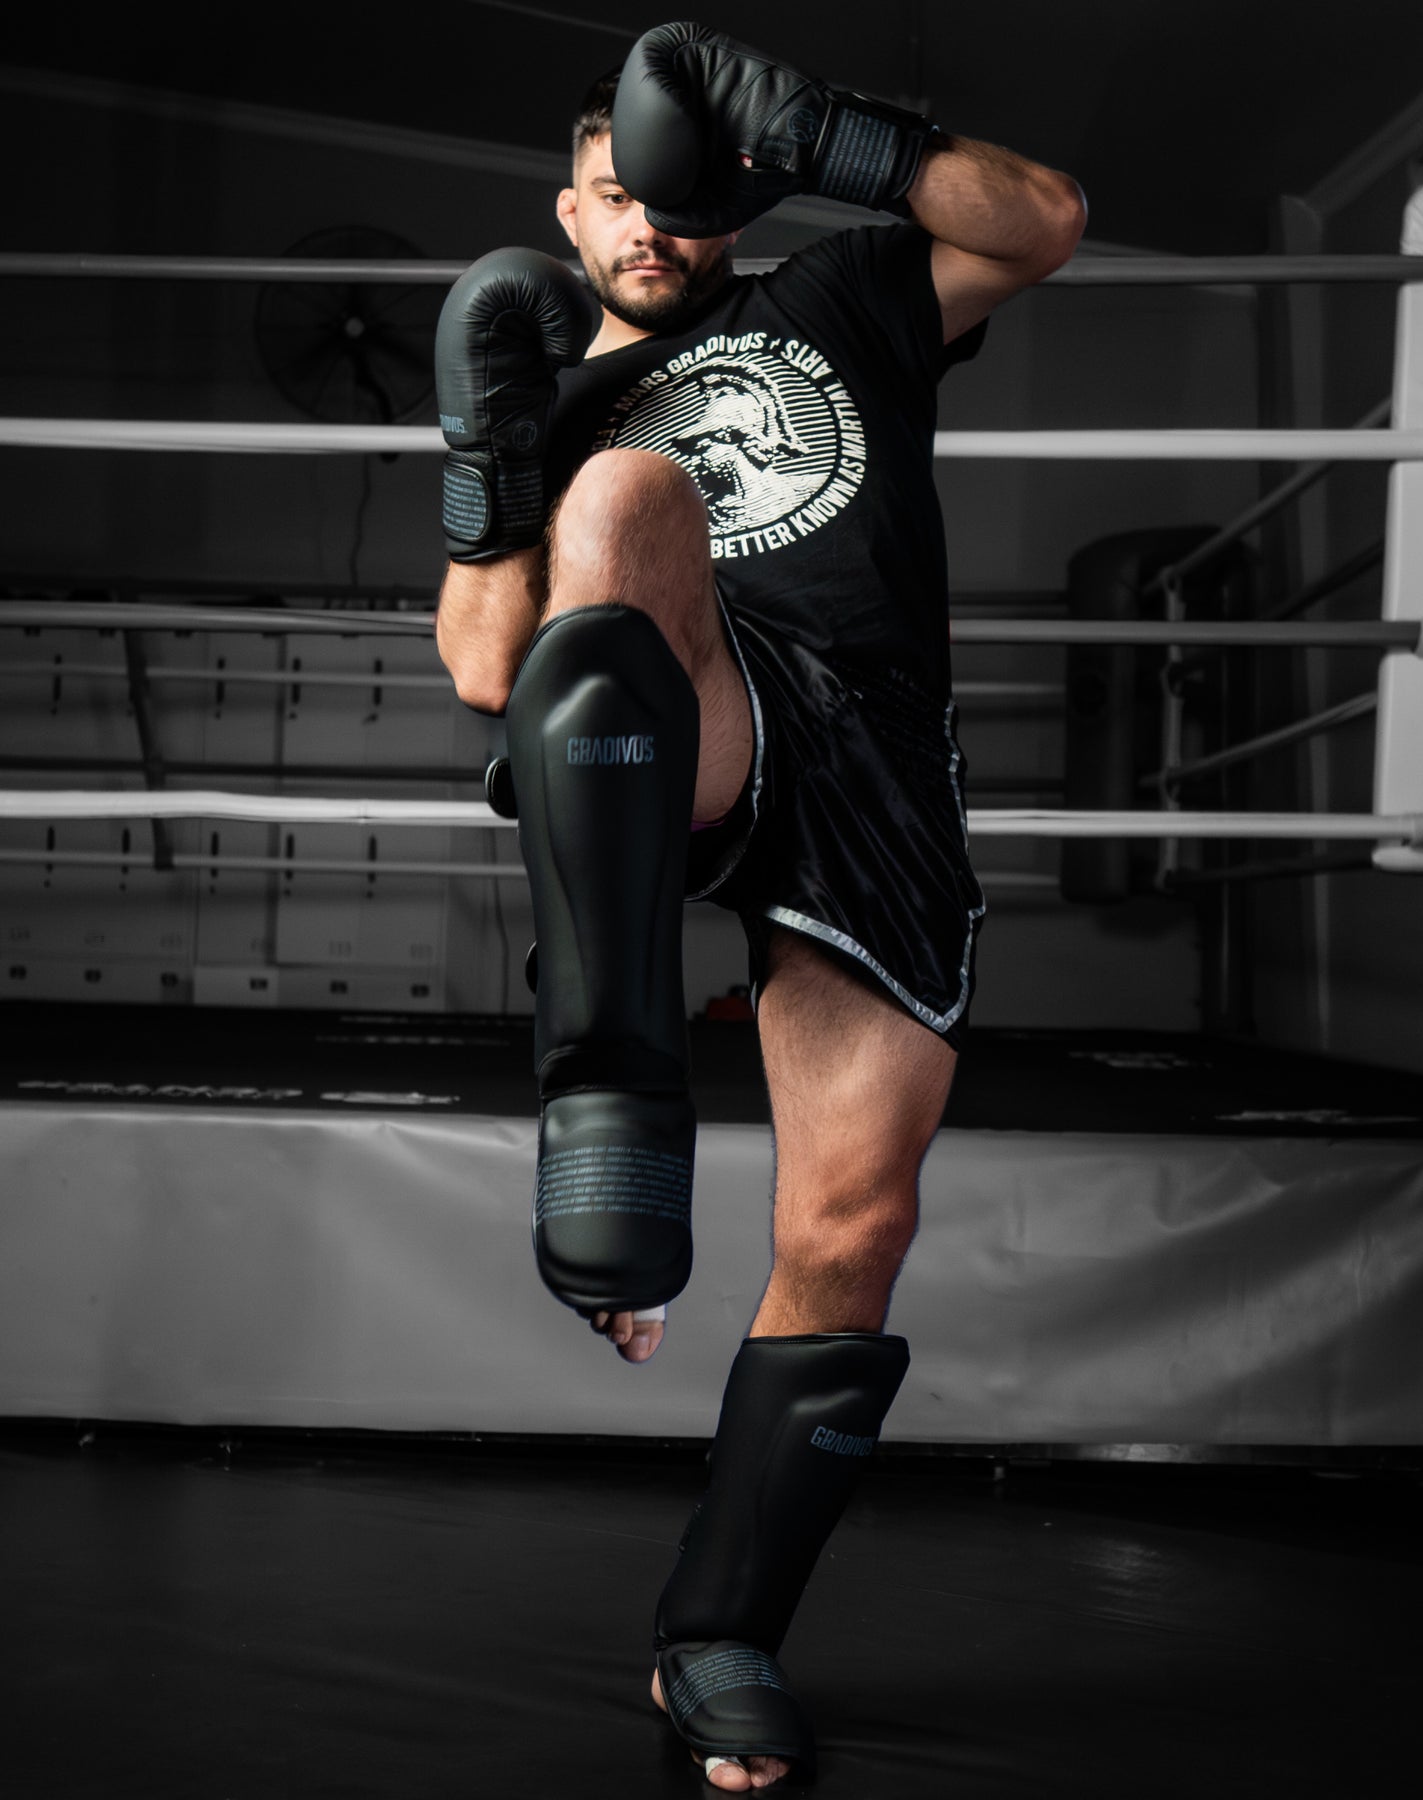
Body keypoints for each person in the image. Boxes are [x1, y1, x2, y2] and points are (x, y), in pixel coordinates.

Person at [433, 22, 1086, 1790]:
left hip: (875, 748)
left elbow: (1040, 219)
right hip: (691, 713)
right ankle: (611, 1093)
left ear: (728, 193)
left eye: (678, 191)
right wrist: (496, 458)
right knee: (632, 494)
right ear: (571, 209)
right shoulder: (559, 393)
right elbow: (487, 666)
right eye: (615, 195)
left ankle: (718, 1635)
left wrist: (805, 126)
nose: (648, 222)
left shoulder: (846, 293)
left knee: (856, 1221)